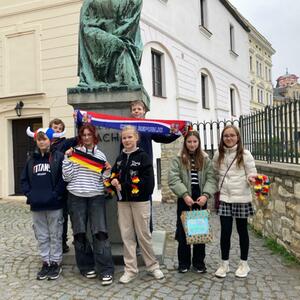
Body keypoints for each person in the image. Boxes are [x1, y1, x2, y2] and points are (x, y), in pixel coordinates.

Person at [110, 125, 164, 284]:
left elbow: (148, 183)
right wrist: (113, 180)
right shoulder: (119, 159)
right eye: (124, 138)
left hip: (140, 202)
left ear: (136, 138)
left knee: (144, 235)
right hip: (123, 202)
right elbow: (114, 175)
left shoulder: (143, 157)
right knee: (127, 236)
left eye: (129, 137)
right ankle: (130, 269)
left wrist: (126, 185)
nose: (127, 140)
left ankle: (153, 266)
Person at [62, 123, 114, 285]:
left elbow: (105, 180)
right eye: (83, 135)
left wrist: (107, 171)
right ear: (80, 137)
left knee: (100, 233)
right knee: (80, 233)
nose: (86, 138)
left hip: (96, 197)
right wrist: (67, 159)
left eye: (88, 135)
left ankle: (105, 269)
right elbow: (67, 177)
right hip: (76, 197)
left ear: (94, 136)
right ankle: (86, 266)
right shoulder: (73, 154)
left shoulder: (100, 156)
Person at [168, 130, 217, 273]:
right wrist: (184, 195)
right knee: (183, 232)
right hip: (185, 198)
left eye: (195, 141)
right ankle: (183, 263)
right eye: (189, 141)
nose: (192, 144)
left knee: (199, 231)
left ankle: (198, 263)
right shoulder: (178, 159)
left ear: (199, 142)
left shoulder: (205, 159)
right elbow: (174, 178)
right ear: (185, 143)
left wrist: (206, 195)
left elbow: (211, 178)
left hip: (200, 197)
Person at [20, 128, 66, 280]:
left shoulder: (58, 157)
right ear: (36, 141)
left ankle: (55, 262)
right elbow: (24, 179)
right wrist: (30, 195)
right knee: (41, 235)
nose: (41, 141)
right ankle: (46, 262)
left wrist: (56, 195)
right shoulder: (31, 159)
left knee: (55, 234)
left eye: (44, 139)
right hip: (37, 205)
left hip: (54, 204)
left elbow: (63, 179)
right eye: (39, 139)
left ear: (51, 141)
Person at [129, 100, 180, 233]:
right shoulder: (127, 127)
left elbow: (162, 138)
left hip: (145, 168)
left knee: (147, 198)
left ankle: (148, 230)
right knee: (132, 199)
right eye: (134, 109)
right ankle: (135, 233)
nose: (136, 111)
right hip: (132, 168)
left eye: (139, 109)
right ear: (131, 112)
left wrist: (176, 133)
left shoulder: (149, 126)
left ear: (144, 111)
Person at [213, 125, 257, 278]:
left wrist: (251, 179)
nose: (229, 138)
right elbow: (214, 174)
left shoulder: (245, 154)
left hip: (241, 198)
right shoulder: (218, 154)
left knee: (242, 231)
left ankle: (244, 264)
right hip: (225, 198)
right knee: (225, 232)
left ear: (238, 137)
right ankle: (224, 264)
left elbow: (252, 173)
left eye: (232, 135)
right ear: (222, 138)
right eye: (226, 136)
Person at [77, 0, 144, 90]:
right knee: (122, 50)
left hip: (119, 43)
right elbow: (86, 27)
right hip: (95, 36)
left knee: (124, 52)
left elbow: (131, 28)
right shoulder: (91, 3)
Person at [49, 118, 78, 253]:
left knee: (63, 215)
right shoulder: (45, 142)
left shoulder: (65, 142)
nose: (57, 130)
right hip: (48, 184)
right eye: (55, 128)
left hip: (62, 185)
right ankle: (52, 241)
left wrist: (80, 121)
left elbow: (79, 138)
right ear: (50, 128)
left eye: (60, 129)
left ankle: (63, 241)